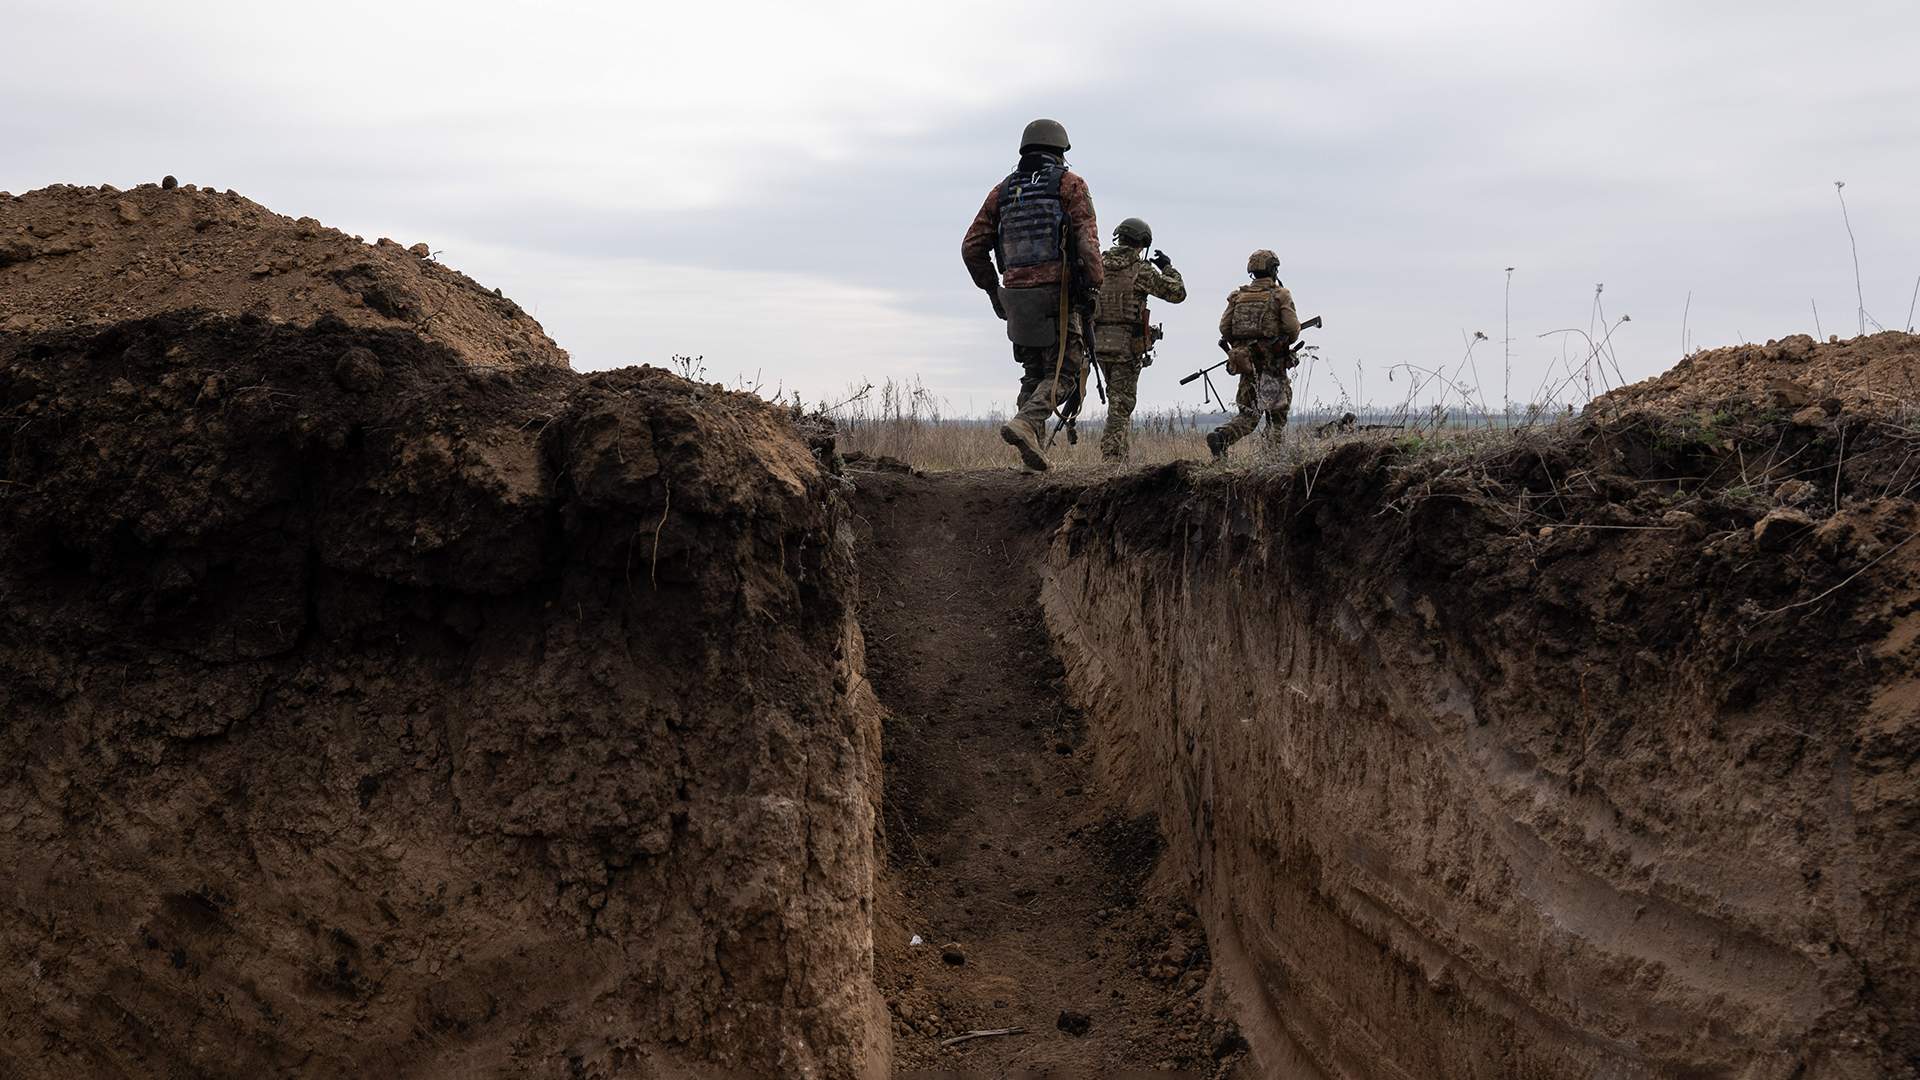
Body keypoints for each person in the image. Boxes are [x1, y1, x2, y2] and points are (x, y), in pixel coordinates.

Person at [961, 118, 1102, 471]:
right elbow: (1087, 245)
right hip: (1058, 297)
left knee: (1034, 373)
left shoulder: (1002, 191)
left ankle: (1032, 454)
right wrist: (1094, 283)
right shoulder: (1070, 185)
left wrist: (995, 291)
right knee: (1065, 374)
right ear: (1060, 152)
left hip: (1018, 299)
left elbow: (972, 247)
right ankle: (1025, 424)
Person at [1090, 218, 1185, 462]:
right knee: (1121, 405)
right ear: (1142, 243)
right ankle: (1112, 460)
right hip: (1126, 347)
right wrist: (1168, 267)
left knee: (1116, 399)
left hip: (1098, 343)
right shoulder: (1140, 270)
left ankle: (1120, 457)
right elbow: (1178, 293)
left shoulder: (1098, 265)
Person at [1206, 249, 1301, 459]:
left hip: (1247, 365)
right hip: (1272, 367)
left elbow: (1225, 329)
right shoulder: (1280, 295)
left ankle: (1222, 438)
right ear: (1274, 269)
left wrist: (1244, 346)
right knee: (1276, 417)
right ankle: (1272, 459)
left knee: (1248, 415)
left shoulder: (1237, 296)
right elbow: (1293, 330)